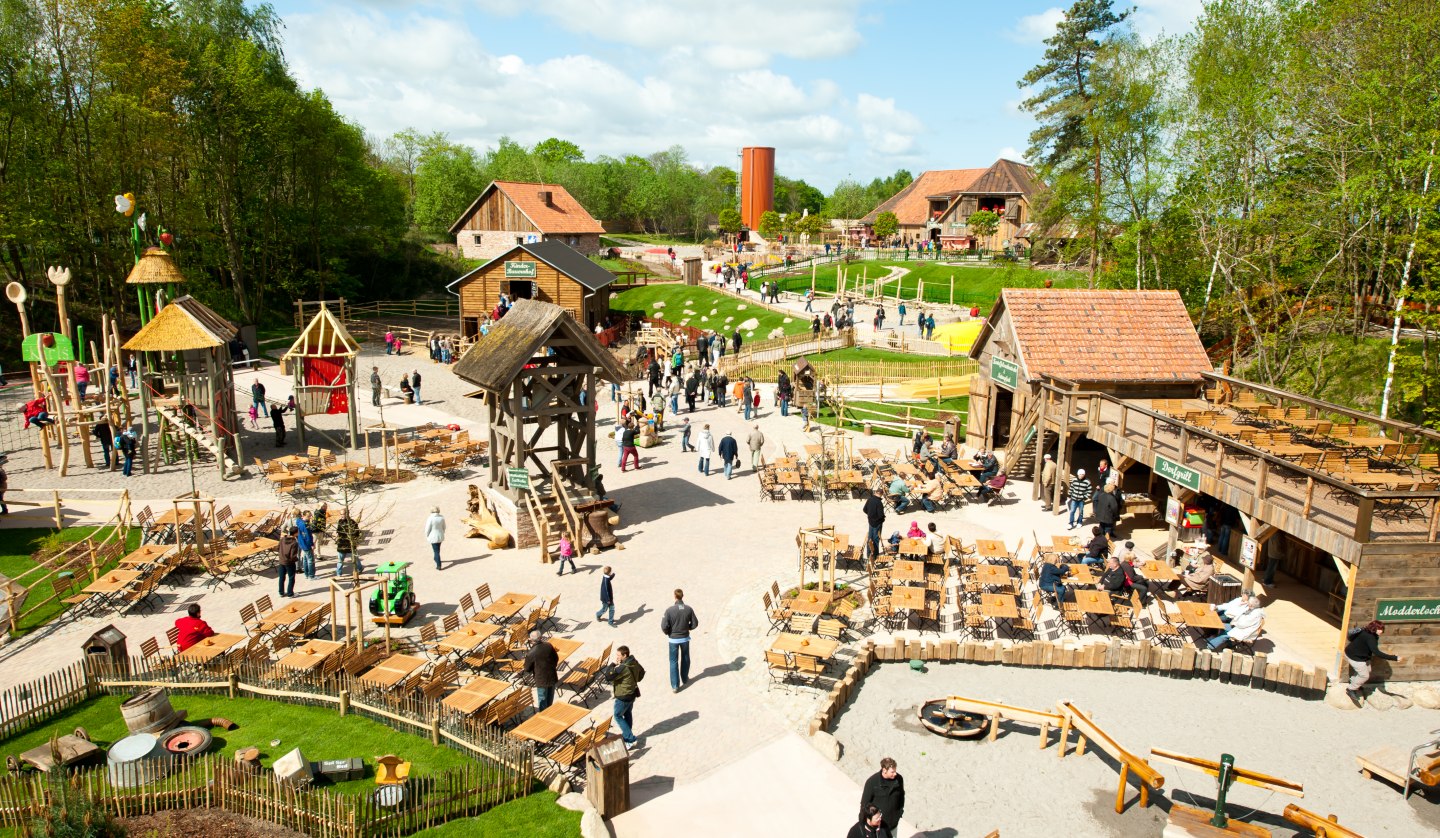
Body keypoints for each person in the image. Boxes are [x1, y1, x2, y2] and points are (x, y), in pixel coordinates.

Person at [1344, 620, 1400, 702]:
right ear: (1374, 628)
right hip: (1354, 657)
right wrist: (1394, 658)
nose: (1381, 631)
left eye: (1382, 629)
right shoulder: (1370, 637)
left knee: (1367, 670)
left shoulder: (1367, 631)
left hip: (1360, 656)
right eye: (1379, 629)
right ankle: (1351, 689)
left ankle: (1354, 682)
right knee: (1364, 675)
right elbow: (1377, 653)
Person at [604, 645, 645, 750]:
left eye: (618, 655)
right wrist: (634, 680)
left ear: (624, 655)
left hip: (623, 696)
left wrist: (613, 664)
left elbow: (608, 676)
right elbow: (642, 672)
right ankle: (627, 736)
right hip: (632, 694)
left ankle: (630, 738)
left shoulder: (623, 668)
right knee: (627, 714)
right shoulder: (634, 662)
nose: (617, 657)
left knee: (617, 715)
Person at [661, 588, 699, 692]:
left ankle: (675, 685)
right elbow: (695, 623)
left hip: (673, 639)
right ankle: (685, 678)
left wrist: (668, 632)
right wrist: (688, 628)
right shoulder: (688, 609)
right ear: (683, 596)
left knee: (673, 661)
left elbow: (664, 626)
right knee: (686, 657)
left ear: (675, 596)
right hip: (685, 638)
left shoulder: (669, 610)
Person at [860, 758, 905, 834]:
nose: (895, 774)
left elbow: (902, 796)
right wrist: (862, 823)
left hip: (893, 825)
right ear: (884, 770)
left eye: (895, 771)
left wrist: (899, 813)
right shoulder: (872, 782)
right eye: (892, 772)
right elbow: (864, 804)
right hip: (878, 827)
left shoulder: (899, 779)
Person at [523, 631, 560, 711]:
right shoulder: (549, 646)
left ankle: (544, 716)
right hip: (552, 675)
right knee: (550, 698)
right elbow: (556, 658)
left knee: (542, 700)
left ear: (532, 640)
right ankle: (549, 712)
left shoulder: (531, 653)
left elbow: (527, 669)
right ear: (541, 638)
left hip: (541, 679)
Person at [334, 511, 361, 576]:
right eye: (341, 514)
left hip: (350, 544)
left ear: (347, 514)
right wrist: (336, 535)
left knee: (355, 558)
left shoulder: (352, 522)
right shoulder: (340, 521)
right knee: (340, 560)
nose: (341, 515)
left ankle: (359, 568)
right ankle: (338, 573)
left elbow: (357, 533)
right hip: (341, 544)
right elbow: (338, 531)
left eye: (343, 514)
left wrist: (354, 541)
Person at [863, 489, 886, 562]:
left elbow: (864, 509)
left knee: (870, 538)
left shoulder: (869, 499)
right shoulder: (879, 503)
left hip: (870, 521)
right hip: (877, 523)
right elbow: (880, 515)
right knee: (876, 539)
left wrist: (870, 515)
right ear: (881, 494)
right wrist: (883, 519)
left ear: (875, 493)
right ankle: (875, 555)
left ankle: (868, 554)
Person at [276, 526, 299, 597]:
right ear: (295, 533)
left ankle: (281, 592)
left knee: (281, 577)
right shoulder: (294, 543)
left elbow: (278, 548)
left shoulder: (283, 539)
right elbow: (293, 556)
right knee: (291, 577)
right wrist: (296, 559)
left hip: (281, 561)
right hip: (289, 563)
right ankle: (290, 593)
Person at [296, 510, 316, 579]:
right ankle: (311, 575)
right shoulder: (305, 525)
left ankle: (306, 574)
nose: (310, 518)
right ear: (304, 516)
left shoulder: (299, 522)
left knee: (305, 559)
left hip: (301, 543)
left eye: (310, 516)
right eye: (308, 516)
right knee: (310, 560)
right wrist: (312, 544)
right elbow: (308, 536)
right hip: (306, 544)